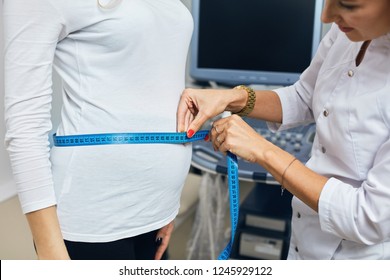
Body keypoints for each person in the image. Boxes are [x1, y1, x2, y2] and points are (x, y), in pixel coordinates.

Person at [177, 0, 390, 259]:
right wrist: (230, 98)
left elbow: (368, 217)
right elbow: (304, 96)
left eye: (347, 4)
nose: (326, 16)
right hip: (303, 242)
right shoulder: (345, 32)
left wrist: (263, 151)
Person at [4, 0, 194, 260]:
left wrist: (165, 204)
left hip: (156, 214)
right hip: (93, 218)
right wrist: (50, 251)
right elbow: (25, 124)